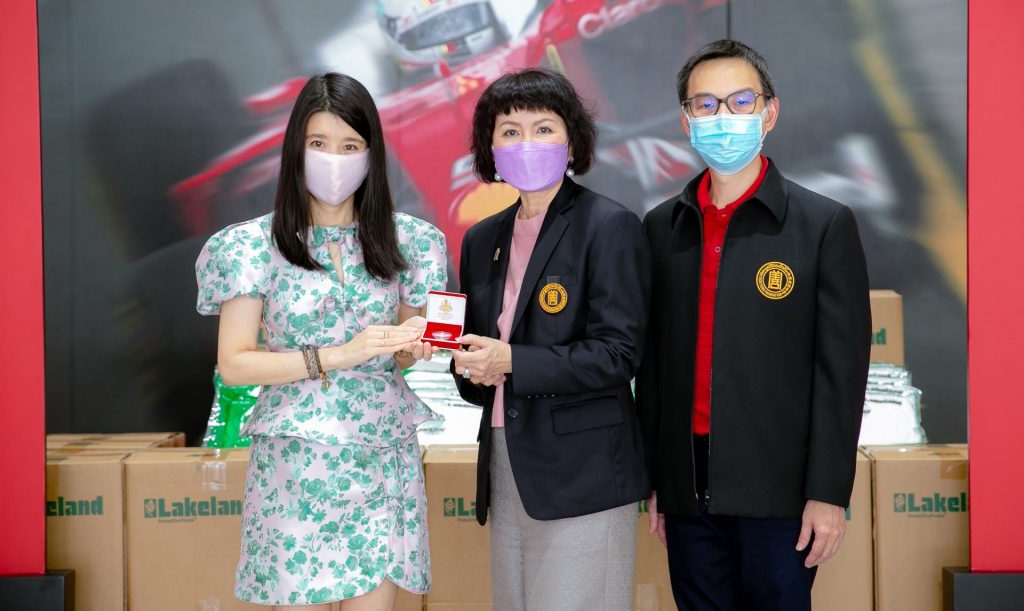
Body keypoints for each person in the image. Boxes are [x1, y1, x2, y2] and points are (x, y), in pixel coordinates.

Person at [195, 73, 446, 611]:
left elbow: (403, 350)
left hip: (382, 455)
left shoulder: (412, 241)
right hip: (295, 462)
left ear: (372, 154)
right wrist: (340, 355)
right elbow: (235, 364)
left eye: (350, 146)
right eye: (319, 143)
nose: (335, 159)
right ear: (295, 149)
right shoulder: (250, 245)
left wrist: (412, 347)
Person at [637, 39, 871, 610]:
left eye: (741, 101)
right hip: (689, 489)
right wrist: (659, 481)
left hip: (780, 494)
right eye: (706, 104)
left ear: (769, 112)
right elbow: (653, 364)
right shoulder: (662, 228)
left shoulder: (821, 225)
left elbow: (841, 376)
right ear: (686, 120)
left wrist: (828, 493)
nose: (723, 116)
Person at [448, 68, 651, 610]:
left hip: (582, 469)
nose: (527, 143)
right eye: (510, 132)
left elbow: (618, 354)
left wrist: (512, 360)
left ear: (572, 142)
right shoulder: (481, 239)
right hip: (506, 461)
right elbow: (478, 354)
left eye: (543, 128)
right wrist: (467, 364)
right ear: (490, 148)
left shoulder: (607, 225)